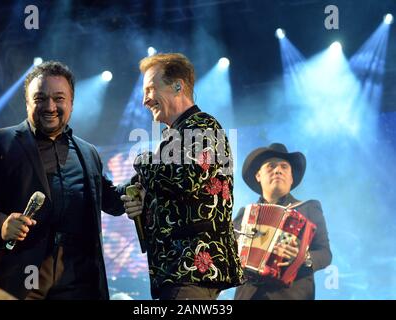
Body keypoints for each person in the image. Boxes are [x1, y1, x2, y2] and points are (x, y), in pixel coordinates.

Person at [0, 61, 137, 299]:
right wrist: (1, 223)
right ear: (27, 102)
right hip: (20, 277)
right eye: (40, 98)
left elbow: (112, 200)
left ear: (71, 103)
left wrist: (145, 179)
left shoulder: (88, 152)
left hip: (80, 278)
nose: (50, 106)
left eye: (59, 98)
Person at [129, 53, 243, 300]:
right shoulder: (176, 136)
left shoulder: (201, 125)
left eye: (150, 89)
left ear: (178, 85)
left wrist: (142, 160)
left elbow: (188, 178)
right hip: (177, 270)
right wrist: (137, 196)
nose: (145, 100)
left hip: (191, 268)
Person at [233, 143, 332, 300]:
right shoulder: (244, 215)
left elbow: (324, 253)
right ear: (258, 176)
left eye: (284, 167)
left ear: (291, 177)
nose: (278, 170)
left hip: (292, 294)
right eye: (271, 166)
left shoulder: (309, 207)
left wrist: (302, 258)